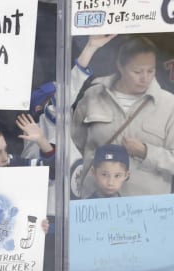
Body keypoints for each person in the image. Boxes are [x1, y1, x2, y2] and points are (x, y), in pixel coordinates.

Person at [72, 35, 174, 197]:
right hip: (96, 203)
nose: (145, 78)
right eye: (137, 71)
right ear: (120, 66)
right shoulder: (93, 95)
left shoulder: (169, 105)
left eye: (150, 70)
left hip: (147, 208)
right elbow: (75, 141)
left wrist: (147, 152)